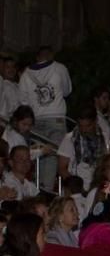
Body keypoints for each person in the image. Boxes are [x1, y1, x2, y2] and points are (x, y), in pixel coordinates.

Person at [18, 46, 72, 190]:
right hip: (56, 119)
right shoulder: (60, 68)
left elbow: (23, 101)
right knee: (53, 155)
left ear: (37, 57)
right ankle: (45, 190)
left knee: (38, 154)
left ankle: (38, 188)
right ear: (51, 56)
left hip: (36, 120)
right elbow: (67, 90)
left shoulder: (25, 74)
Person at [56, 107, 106, 190]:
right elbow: (61, 168)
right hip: (76, 190)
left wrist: (106, 190)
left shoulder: (104, 138)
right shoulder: (70, 138)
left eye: (88, 126)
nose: (84, 130)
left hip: (98, 187)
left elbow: (107, 164)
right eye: (81, 126)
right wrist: (76, 187)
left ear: (95, 121)